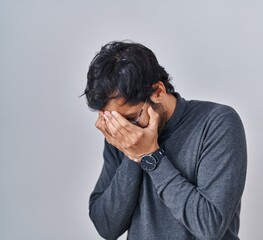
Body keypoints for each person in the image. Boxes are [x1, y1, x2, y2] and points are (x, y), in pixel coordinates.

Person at [83, 41, 247, 240]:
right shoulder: (121, 136)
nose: (123, 129)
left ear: (158, 91)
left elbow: (209, 226)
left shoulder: (217, 123)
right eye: (112, 120)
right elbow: (106, 226)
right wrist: (131, 154)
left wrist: (151, 156)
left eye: (130, 118)